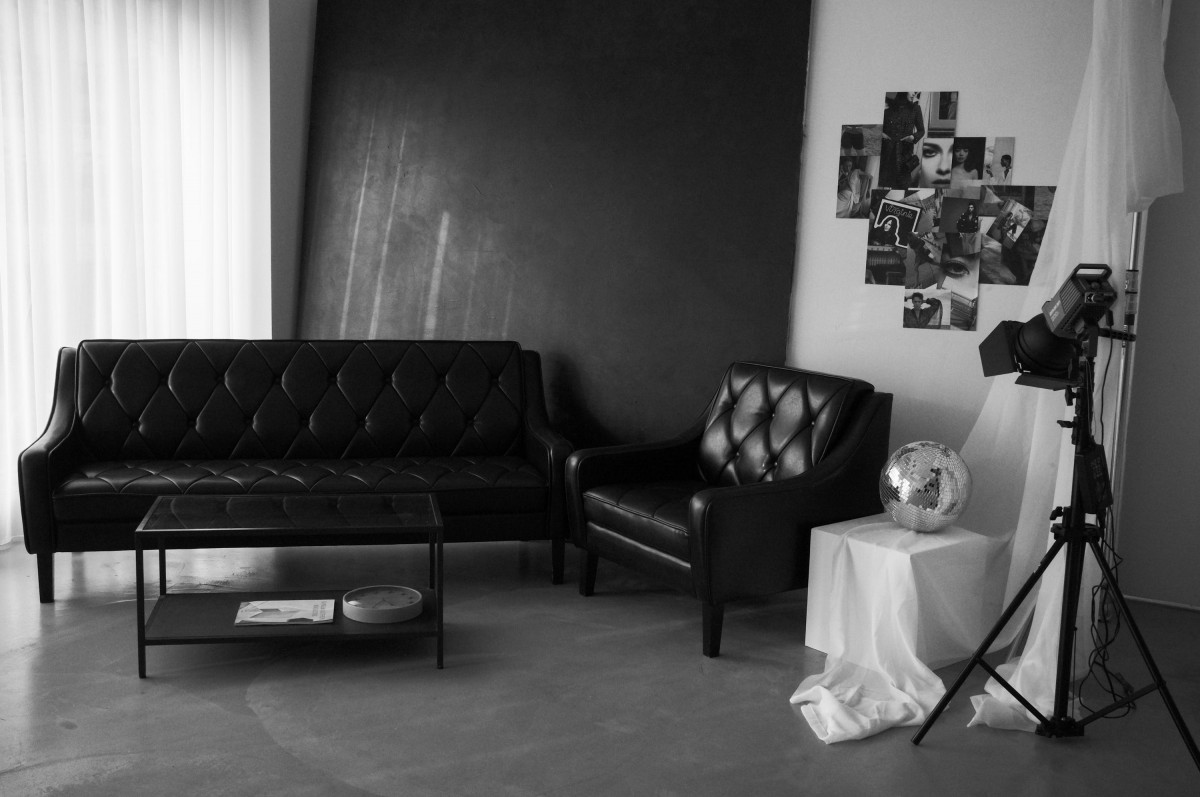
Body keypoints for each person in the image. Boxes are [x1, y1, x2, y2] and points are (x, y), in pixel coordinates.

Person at [880, 92, 924, 189]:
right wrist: (881, 134)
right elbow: (876, 129)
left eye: (915, 91)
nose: (914, 93)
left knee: (903, 185)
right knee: (886, 185)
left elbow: (921, 131)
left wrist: (913, 137)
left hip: (905, 154)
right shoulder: (888, 109)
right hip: (887, 153)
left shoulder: (915, 108)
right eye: (911, 90)